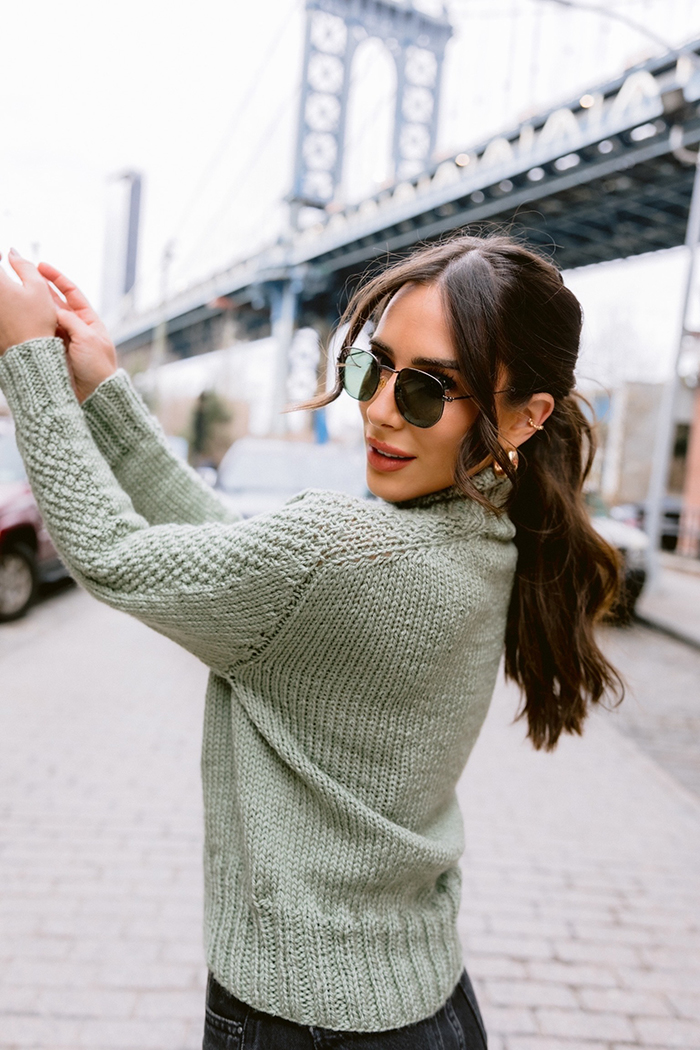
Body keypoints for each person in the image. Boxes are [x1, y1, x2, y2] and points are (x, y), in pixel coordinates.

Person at [0, 234, 623, 1049]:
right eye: (375, 366)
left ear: (527, 415)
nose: (379, 409)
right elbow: (246, 567)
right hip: (426, 1006)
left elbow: (113, 555)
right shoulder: (487, 536)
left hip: (300, 1020)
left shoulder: (352, 553)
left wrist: (27, 365)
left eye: (431, 390)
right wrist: (106, 394)